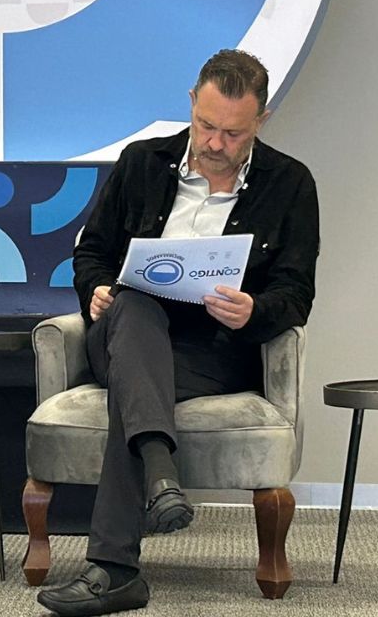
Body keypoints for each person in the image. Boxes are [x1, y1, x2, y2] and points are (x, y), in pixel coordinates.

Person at [37, 49, 319, 615]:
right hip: (124, 331)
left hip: (212, 352)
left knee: (135, 389)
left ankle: (119, 566)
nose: (215, 143)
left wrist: (254, 310)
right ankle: (156, 480)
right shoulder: (141, 162)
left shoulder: (290, 183)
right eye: (206, 125)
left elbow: (296, 293)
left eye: (233, 134)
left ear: (261, 121)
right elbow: (91, 253)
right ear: (192, 103)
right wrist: (96, 289)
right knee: (135, 302)